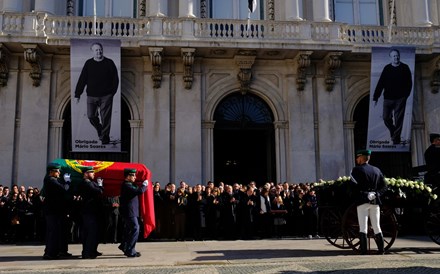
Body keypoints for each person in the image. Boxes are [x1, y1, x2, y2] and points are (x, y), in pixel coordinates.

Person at [74, 42, 119, 145]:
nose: (99, 51)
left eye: (100, 49)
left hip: (106, 96)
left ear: (102, 50)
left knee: (105, 118)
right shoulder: (88, 63)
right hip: (91, 96)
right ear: (93, 52)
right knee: (91, 116)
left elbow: (115, 79)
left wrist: (112, 92)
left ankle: (105, 139)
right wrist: (77, 94)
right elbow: (82, 79)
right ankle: (100, 130)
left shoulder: (109, 63)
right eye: (96, 50)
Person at [350, 149, 387, 255]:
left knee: (363, 226)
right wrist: (376, 194)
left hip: (362, 201)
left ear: (361, 158)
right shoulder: (376, 170)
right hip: (375, 201)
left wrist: (366, 194)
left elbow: (353, 187)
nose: (357, 159)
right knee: (377, 226)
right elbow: (384, 186)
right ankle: (381, 250)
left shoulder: (356, 170)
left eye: (358, 157)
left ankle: (364, 250)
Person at [373, 48, 412, 145]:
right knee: (386, 118)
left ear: (399, 56)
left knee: (399, 119)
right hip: (388, 98)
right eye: (394, 56)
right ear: (390, 58)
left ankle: (396, 139)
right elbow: (381, 83)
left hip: (400, 98)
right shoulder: (387, 68)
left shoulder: (405, 67)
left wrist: (405, 96)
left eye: (397, 55)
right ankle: (394, 131)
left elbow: (409, 83)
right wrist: (375, 97)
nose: (396, 57)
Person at [41, 163, 71, 260]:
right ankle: (50, 253)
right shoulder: (51, 180)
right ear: (51, 172)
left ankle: (54, 251)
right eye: (57, 171)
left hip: (55, 211)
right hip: (52, 211)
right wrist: (68, 182)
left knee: (55, 232)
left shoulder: (53, 180)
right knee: (53, 232)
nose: (59, 173)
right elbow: (64, 189)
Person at [118, 168, 148, 258]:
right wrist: (144, 185)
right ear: (128, 176)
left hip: (131, 211)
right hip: (129, 211)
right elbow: (139, 191)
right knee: (135, 228)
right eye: (133, 175)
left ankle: (124, 246)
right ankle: (130, 250)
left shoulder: (130, 184)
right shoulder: (127, 185)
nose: (135, 177)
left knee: (129, 229)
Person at [78, 166, 104, 259]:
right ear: (85, 174)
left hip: (91, 211)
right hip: (89, 211)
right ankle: (87, 253)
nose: (94, 174)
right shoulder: (86, 183)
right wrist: (100, 185)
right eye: (91, 172)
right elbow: (99, 191)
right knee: (90, 233)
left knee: (92, 233)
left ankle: (91, 251)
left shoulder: (90, 182)